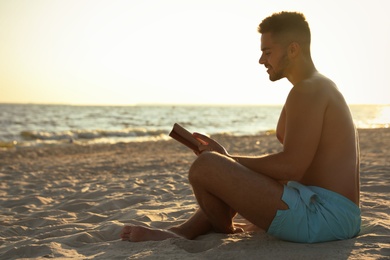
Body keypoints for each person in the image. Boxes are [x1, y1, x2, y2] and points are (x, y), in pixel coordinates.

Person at [120, 11, 361, 243]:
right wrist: (230, 164)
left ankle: (215, 228)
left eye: (267, 52)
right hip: (326, 210)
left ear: (293, 49)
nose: (261, 60)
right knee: (225, 168)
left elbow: (291, 167)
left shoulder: (308, 90)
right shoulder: (315, 87)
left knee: (206, 166)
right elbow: (294, 167)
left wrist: (226, 159)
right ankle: (185, 231)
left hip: (324, 217)